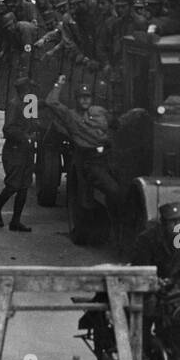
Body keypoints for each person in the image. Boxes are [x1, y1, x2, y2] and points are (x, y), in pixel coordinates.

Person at [46, 77, 120, 246]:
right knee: (113, 191)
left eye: (88, 97)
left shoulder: (99, 111)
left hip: (110, 156)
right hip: (91, 160)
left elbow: (116, 124)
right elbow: (51, 101)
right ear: (76, 99)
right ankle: (113, 225)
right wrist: (59, 82)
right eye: (81, 97)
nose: (85, 100)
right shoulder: (70, 116)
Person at [0, 76, 39, 232]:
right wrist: (26, 137)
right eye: (29, 89)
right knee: (13, 185)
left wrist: (35, 131)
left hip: (26, 150)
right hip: (14, 150)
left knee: (24, 187)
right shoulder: (15, 104)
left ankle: (15, 221)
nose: (31, 91)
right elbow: (8, 130)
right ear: (23, 90)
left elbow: (32, 124)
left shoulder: (30, 103)